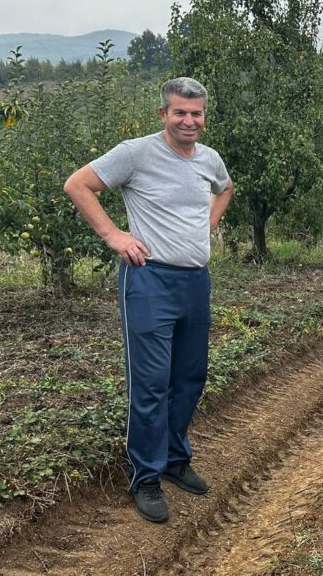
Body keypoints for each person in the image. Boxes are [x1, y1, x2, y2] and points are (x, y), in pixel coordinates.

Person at [63, 77, 233, 523]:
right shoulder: (136, 153)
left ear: (204, 116)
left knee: (191, 376)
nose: (189, 120)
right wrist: (114, 235)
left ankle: (176, 459)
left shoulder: (209, 160)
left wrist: (208, 225)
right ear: (164, 114)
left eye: (196, 113)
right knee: (152, 382)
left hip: (196, 281)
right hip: (149, 280)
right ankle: (146, 477)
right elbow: (78, 185)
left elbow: (225, 187)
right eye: (180, 112)